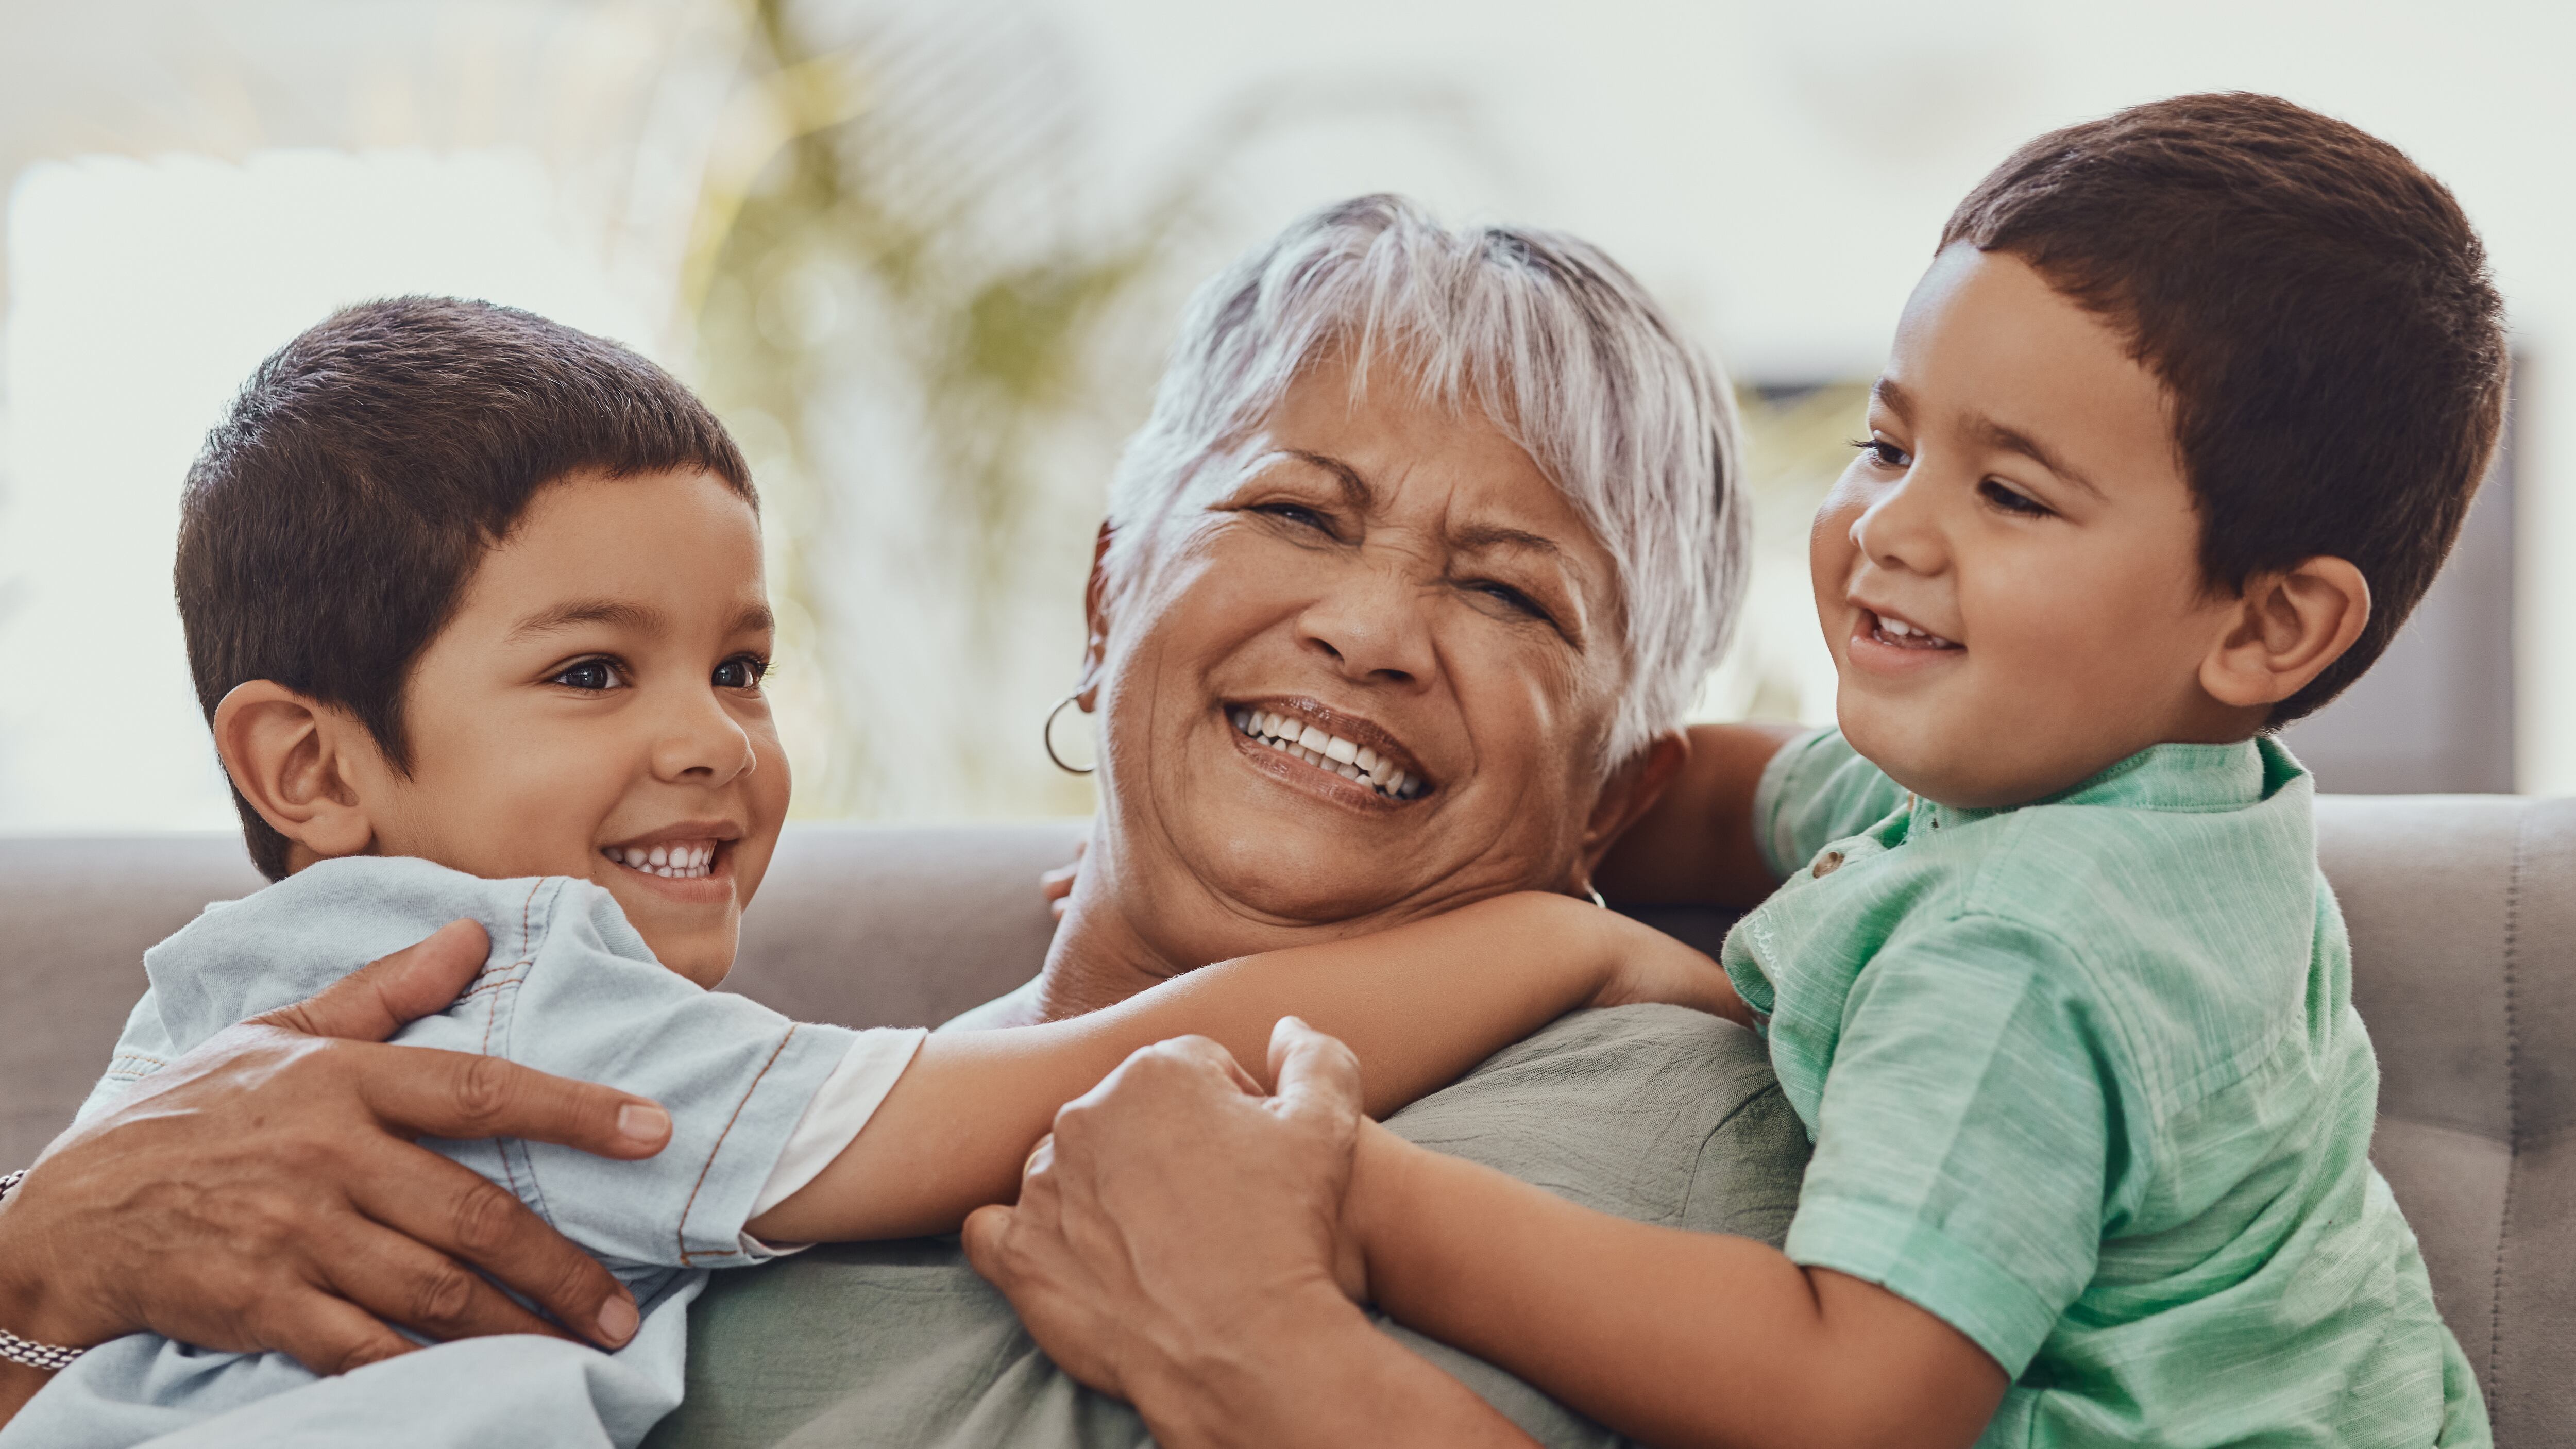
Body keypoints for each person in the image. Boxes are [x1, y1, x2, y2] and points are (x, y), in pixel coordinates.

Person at [965, 94, 2505, 1447]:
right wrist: (1334, 815)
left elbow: (1856, 1401)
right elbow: (1700, 795)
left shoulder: (2021, 951)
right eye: (1888, 446)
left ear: (2271, 627)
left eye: (2014, 494)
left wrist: (1351, 1194)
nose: (1892, 527)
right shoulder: (2077, 796)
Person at [0, 293, 1744, 1446]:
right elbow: (1047, 1092)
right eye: (1296, 512)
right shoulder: (513, 1002)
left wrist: (1286, 1359)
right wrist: (1554, 940)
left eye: (1509, 590)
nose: (1368, 628)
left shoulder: (1655, 1109)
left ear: (1621, 785)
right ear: (1106, 595)